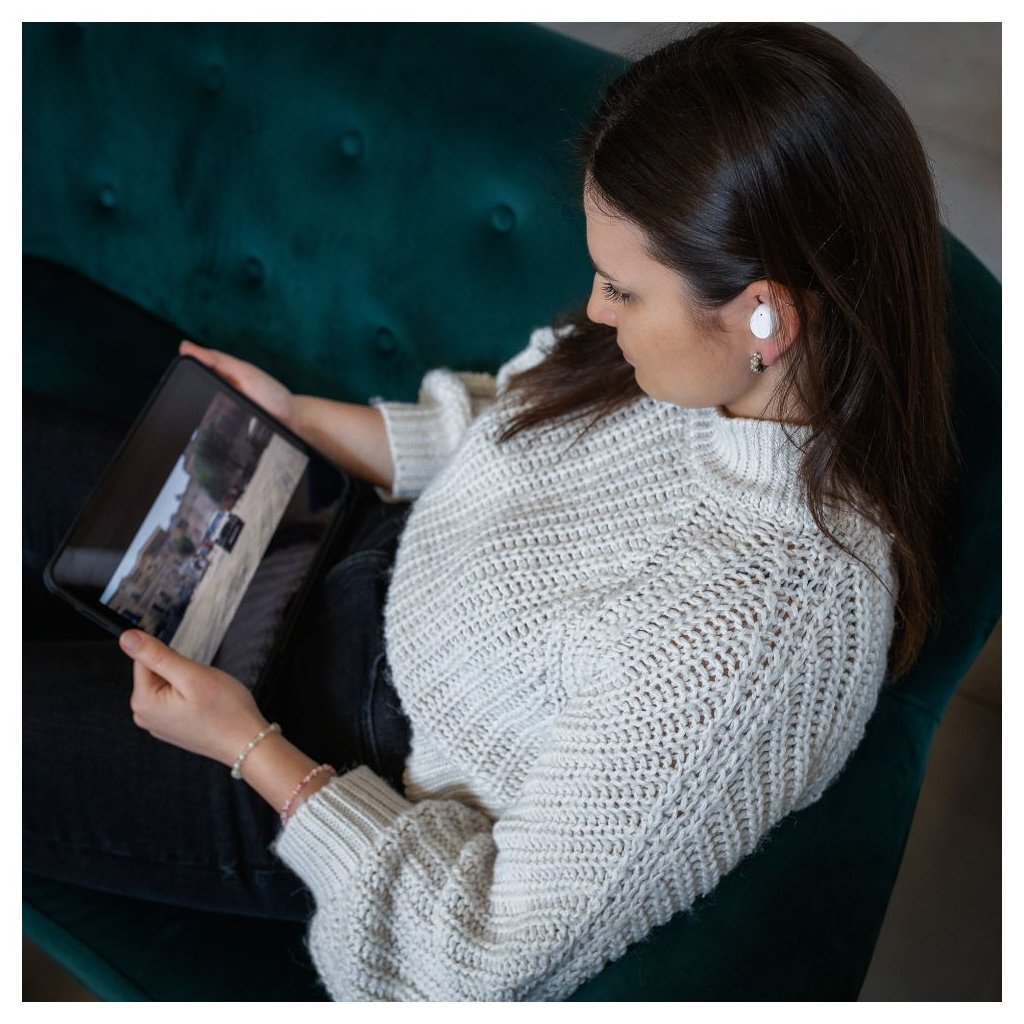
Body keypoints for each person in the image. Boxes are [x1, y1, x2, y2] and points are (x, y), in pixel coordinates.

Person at [23, 22, 960, 1001]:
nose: (596, 310)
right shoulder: (705, 372)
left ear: (767, 315)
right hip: (343, 540)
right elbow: (513, 427)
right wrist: (299, 422)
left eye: (625, 289)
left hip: (345, 765)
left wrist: (247, 747)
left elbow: (480, 957)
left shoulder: (759, 632)